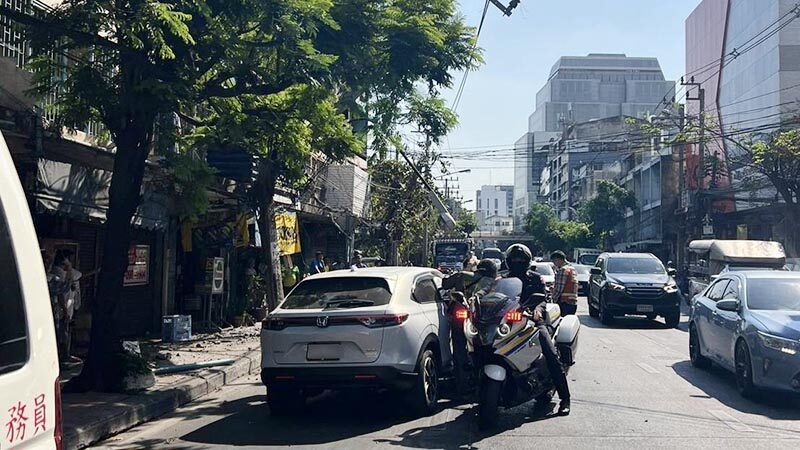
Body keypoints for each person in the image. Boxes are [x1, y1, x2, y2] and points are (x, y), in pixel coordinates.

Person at [504, 244, 571, 415]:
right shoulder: (504, 280)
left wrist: (537, 310)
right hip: (509, 324)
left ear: (527, 261)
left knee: (550, 353)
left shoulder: (535, 278)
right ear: (509, 261)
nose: (517, 262)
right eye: (514, 259)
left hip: (532, 321)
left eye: (521, 259)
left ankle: (565, 398)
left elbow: (543, 299)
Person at [550, 250, 578, 316]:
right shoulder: (572, 269)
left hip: (564, 303)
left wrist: (553, 299)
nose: (554, 263)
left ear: (559, 259)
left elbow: (559, 289)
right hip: (572, 303)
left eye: (554, 261)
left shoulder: (563, 270)